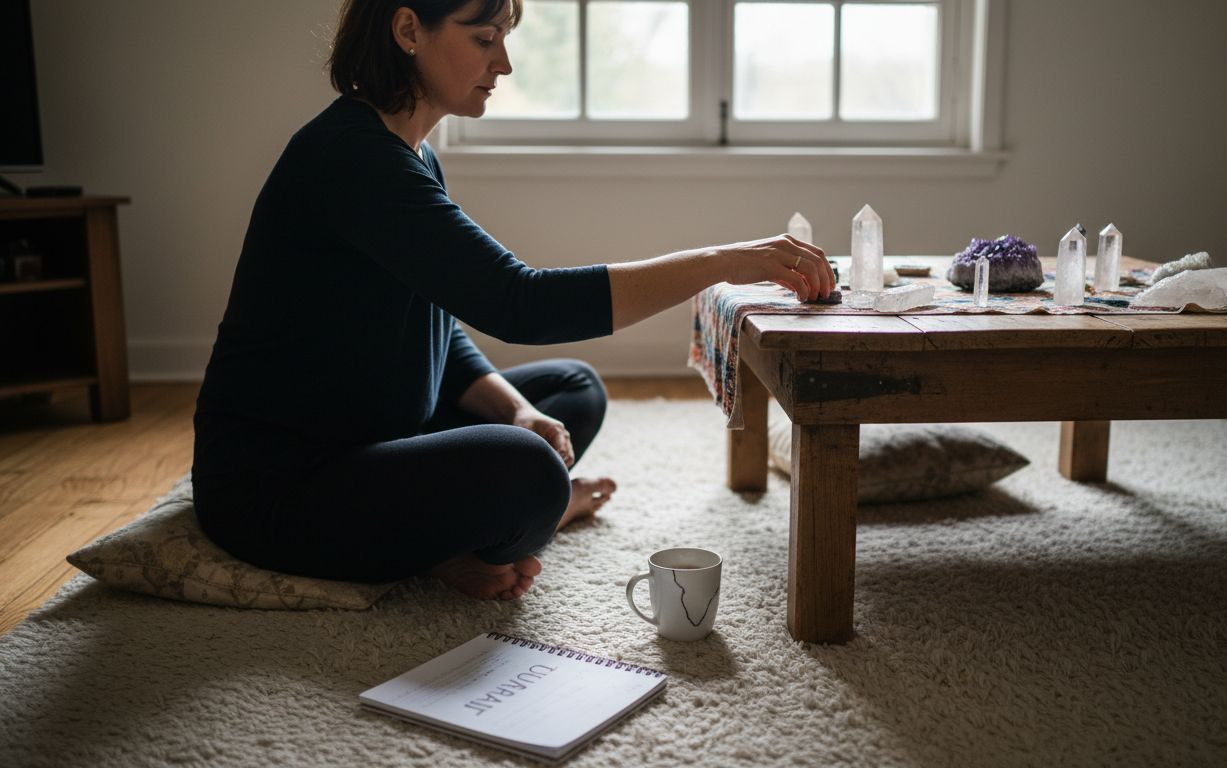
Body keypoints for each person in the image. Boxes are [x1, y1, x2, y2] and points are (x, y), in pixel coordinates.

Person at [191, 0, 833, 601]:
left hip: (379, 433)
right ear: (409, 31)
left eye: (505, 39)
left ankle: (439, 532)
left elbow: (438, 319)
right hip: (279, 484)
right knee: (527, 473)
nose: (503, 62)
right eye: (484, 38)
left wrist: (520, 411)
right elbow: (519, 303)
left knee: (570, 390)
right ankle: (449, 542)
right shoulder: (350, 160)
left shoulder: (408, 153)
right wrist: (725, 261)